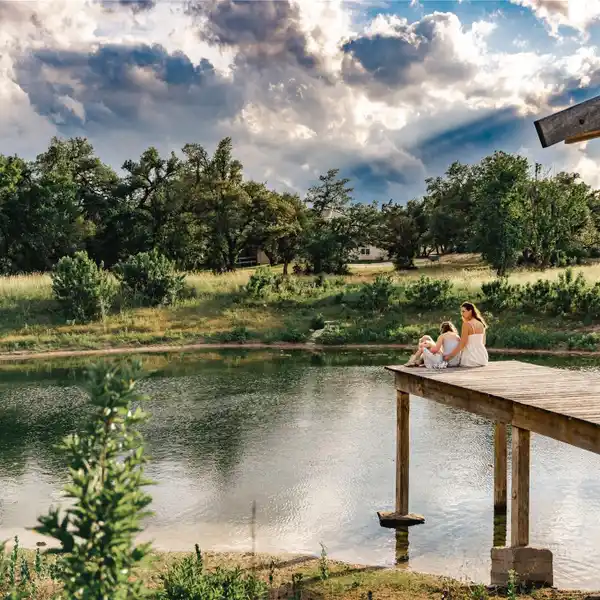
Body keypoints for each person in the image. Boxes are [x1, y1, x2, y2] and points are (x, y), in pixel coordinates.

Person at [443, 301, 488, 368]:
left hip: (470, 360)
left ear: (470, 311)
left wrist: (450, 356)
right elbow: (483, 343)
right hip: (482, 358)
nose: (462, 314)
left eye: (463, 311)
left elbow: (462, 344)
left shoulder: (466, 324)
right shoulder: (481, 324)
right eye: (461, 312)